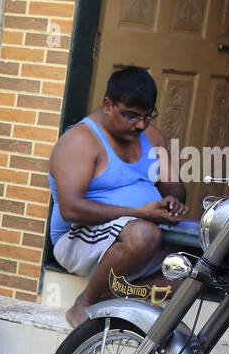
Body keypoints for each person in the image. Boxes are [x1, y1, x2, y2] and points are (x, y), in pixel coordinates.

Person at [47, 66, 188, 328]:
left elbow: (174, 185)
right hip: (79, 239)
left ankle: (110, 300)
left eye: (147, 116)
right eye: (132, 116)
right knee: (146, 234)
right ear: (108, 105)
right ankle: (85, 304)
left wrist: (173, 201)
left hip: (135, 235)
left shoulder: (152, 136)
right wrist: (141, 213)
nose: (141, 124)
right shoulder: (79, 141)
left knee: (195, 269)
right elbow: (71, 209)